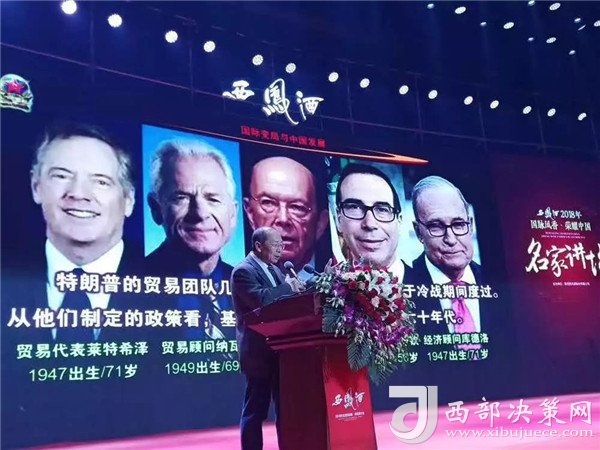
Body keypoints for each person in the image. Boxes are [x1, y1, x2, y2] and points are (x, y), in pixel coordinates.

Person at [2, 122, 146, 447]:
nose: (79, 193)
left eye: (101, 181)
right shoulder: (8, 274)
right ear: (36, 186)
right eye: (61, 176)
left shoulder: (172, 283)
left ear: (128, 199)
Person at [146, 139, 238, 341]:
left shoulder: (246, 285)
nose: (200, 213)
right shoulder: (129, 283)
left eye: (213, 199)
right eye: (182, 197)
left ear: (233, 214)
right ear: (156, 208)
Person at [231, 227, 304, 450]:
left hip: (281, 350)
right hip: (258, 353)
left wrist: (312, 284)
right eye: (276, 245)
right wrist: (288, 287)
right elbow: (261, 300)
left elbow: (287, 298)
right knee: (255, 411)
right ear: (258, 246)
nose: (281, 250)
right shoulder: (243, 271)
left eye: (282, 245)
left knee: (286, 409)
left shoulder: (275, 270)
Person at [405, 175, 484, 339]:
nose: (451, 239)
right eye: (436, 226)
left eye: (458, 224)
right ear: (419, 232)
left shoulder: (497, 280)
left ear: (470, 226)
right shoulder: (401, 287)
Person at [243, 156, 329, 279]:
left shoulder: (337, 280)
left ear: (320, 223)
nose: (283, 219)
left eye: (297, 207)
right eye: (268, 203)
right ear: (250, 213)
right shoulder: (236, 276)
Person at [335, 163, 406, 280]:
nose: (369, 224)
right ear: (338, 220)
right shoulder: (324, 289)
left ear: (399, 221)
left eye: (382, 209)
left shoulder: (431, 282)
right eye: (354, 207)